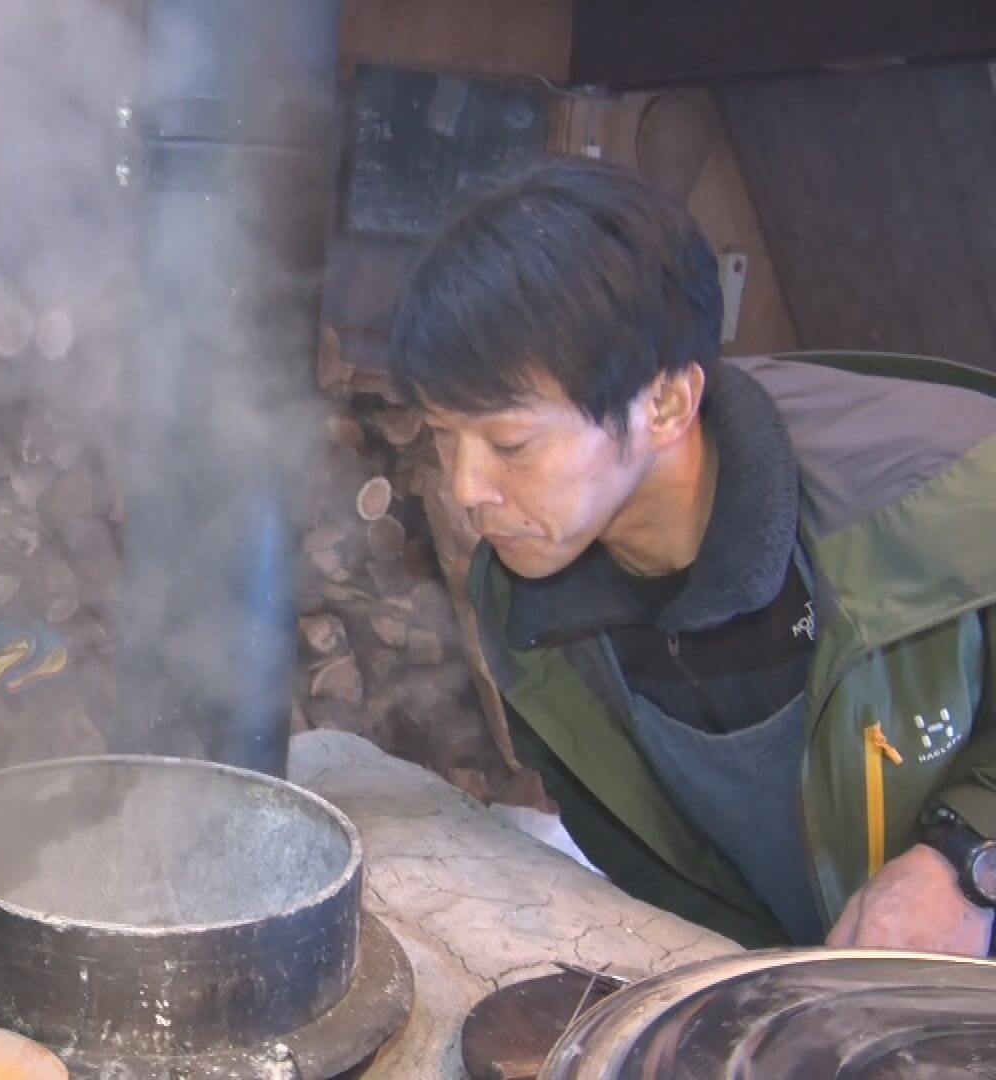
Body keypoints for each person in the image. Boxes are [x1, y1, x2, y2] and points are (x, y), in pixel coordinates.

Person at [388, 159, 996, 956]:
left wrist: (967, 860)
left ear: (668, 402)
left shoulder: (946, 490)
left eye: (510, 442)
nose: (465, 486)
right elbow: (666, 880)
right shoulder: (528, 617)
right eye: (442, 433)